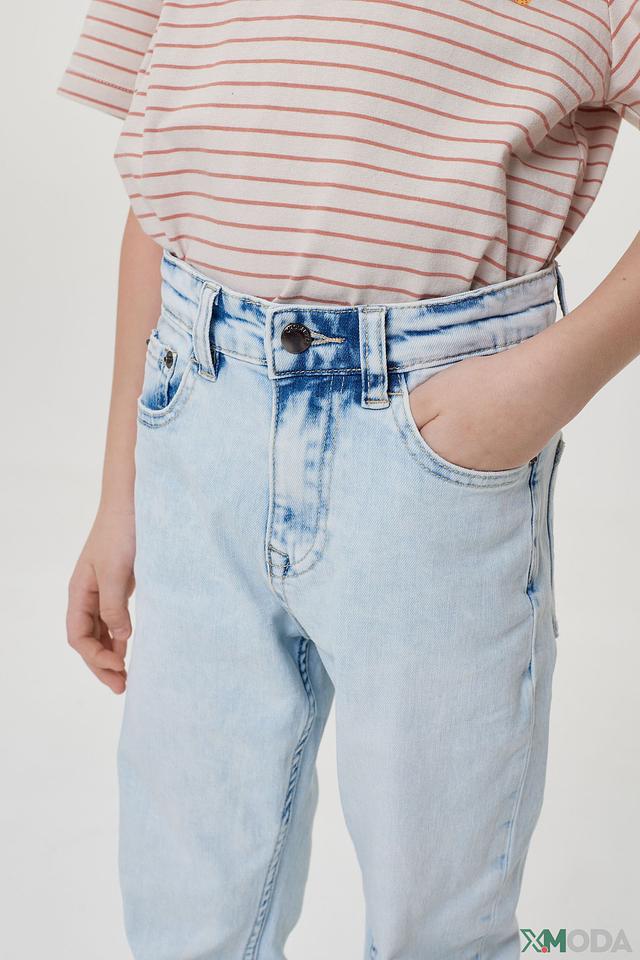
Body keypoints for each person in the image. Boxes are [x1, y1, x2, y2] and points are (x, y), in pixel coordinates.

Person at [59, 2, 640, 958]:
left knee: (436, 922)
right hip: (197, 421)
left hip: (432, 447)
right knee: (184, 913)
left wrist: (525, 393)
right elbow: (164, 184)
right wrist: (118, 492)